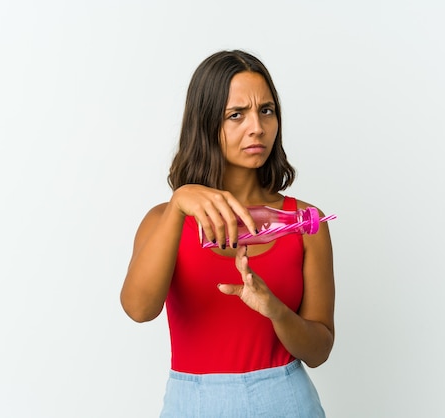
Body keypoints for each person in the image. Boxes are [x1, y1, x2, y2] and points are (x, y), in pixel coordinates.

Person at [120, 49, 335, 417]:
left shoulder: (304, 222)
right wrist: (178, 203)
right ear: (205, 124)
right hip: (194, 404)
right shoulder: (163, 220)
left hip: (287, 401)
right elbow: (139, 310)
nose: (257, 127)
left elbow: (318, 351)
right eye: (236, 115)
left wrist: (276, 311)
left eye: (266, 110)